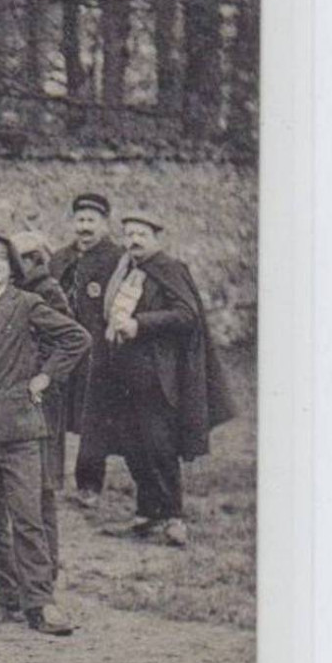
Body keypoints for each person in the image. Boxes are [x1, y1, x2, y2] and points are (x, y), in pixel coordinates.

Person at [0, 229, 91, 636]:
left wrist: (44, 378)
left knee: (27, 518)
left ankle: (40, 602)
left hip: (21, 431)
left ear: (12, 267)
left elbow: (76, 338)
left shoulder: (27, 305)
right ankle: (5, 596)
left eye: (0, 258)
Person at [85, 212, 236, 548]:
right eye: (128, 234)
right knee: (132, 444)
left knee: (159, 446)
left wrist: (142, 324)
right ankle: (147, 512)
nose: (133, 240)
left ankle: (174, 517)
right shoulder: (127, 270)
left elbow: (187, 315)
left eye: (140, 234)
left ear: (156, 237)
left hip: (158, 376)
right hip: (123, 375)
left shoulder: (169, 269)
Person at [48, 192, 123, 508]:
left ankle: (89, 485)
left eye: (92, 221)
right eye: (80, 220)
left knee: (94, 418)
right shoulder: (61, 257)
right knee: (53, 411)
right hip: (62, 349)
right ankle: (50, 478)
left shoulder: (117, 259)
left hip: (98, 352)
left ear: (104, 224)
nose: (85, 227)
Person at [10, 230, 73, 589]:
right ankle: (32, 568)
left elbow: (67, 340)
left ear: (33, 259)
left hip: (42, 401)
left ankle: (45, 569)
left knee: (41, 484)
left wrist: (43, 376)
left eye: (16, 259)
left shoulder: (47, 292)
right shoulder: (22, 292)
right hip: (22, 398)